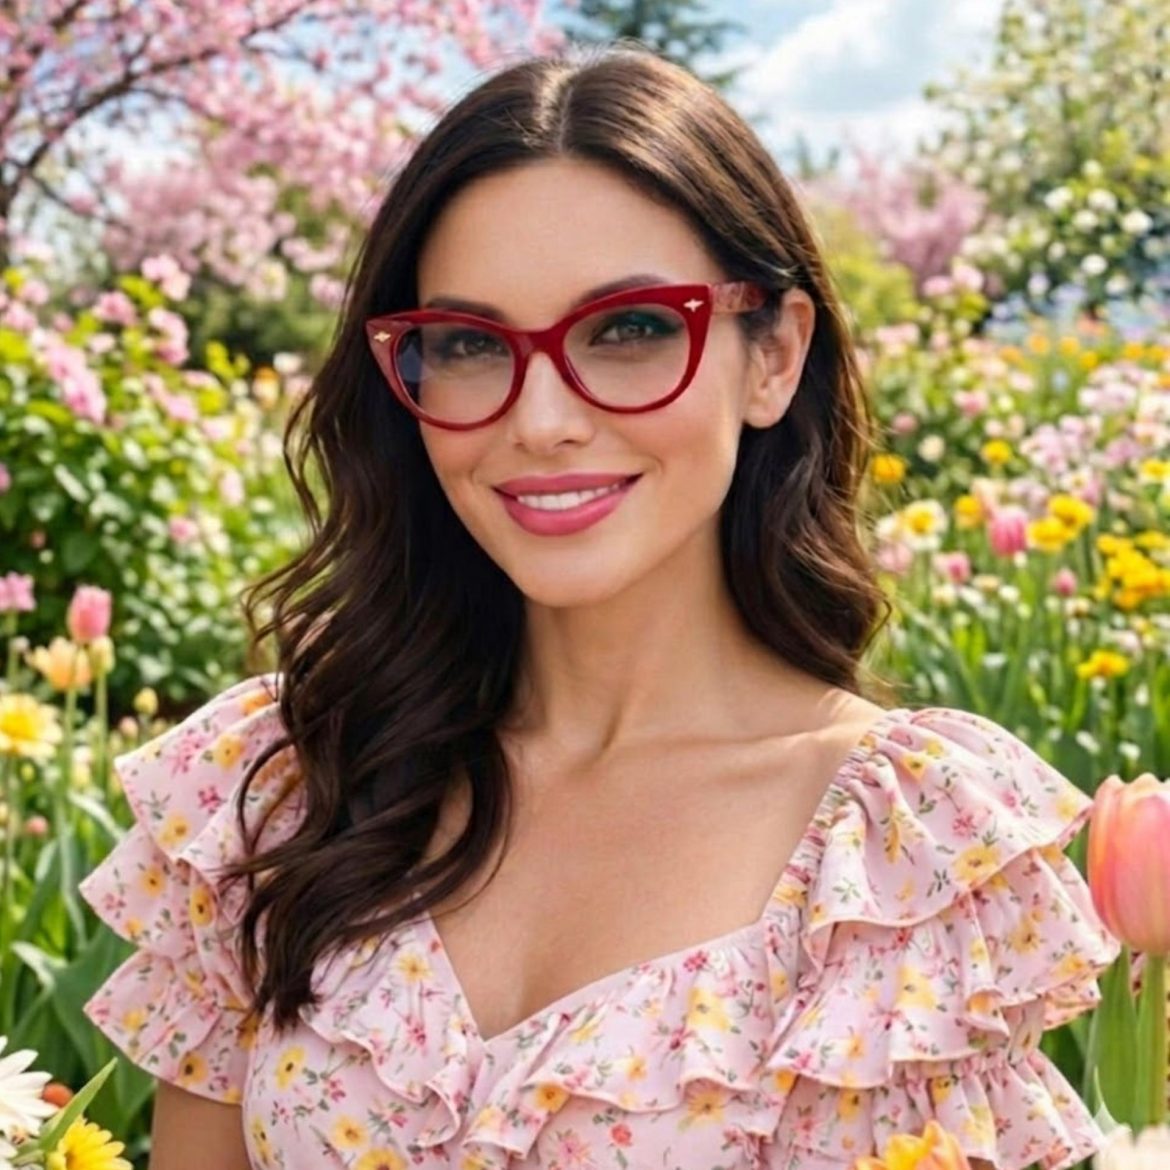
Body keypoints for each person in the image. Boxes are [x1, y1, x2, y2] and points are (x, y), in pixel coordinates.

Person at [79, 43, 1119, 1170]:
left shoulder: (899, 867)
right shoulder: (284, 788)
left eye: (628, 330)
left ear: (773, 353)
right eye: (470, 345)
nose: (541, 420)